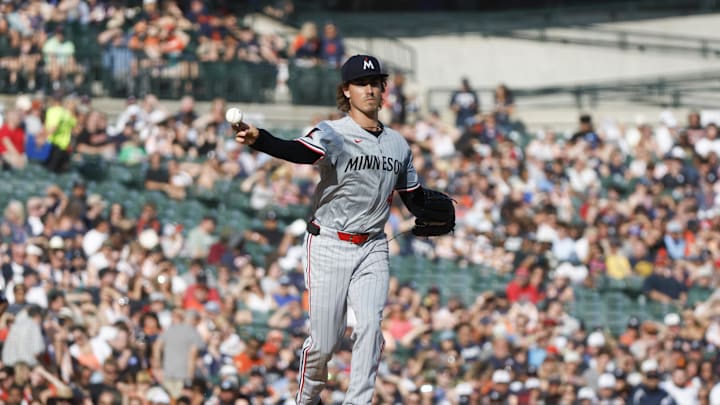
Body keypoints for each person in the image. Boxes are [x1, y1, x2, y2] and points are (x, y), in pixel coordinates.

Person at [233, 54, 452, 404]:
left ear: (383, 91)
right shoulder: (333, 132)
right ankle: (307, 397)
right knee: (324, 342)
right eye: (361, 83)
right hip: (330, 243)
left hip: (373, 246)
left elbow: (411, 198)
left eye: (375, 83)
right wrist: (260, 139)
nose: (370, 89)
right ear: (346, 91)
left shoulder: (398, 143)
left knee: (369, 328)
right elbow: (299, 152)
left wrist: (435, 210)